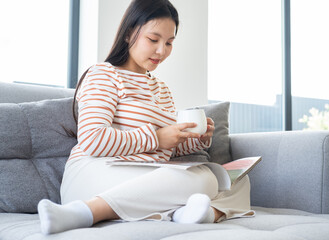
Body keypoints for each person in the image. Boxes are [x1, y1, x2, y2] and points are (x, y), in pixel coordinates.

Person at [37, 0, 254, 235]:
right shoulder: (104, 74)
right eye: (153, 40)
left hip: (145, 174)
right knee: (204, 180)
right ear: (130, 33)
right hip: (96, 171)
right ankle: (85, 211)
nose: (162, 51)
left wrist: (196, 139)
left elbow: (166, 150)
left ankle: (198, 213)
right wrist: (157, 139)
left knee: (236, 180)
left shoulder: (161, 89)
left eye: (169, 42)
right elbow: (92, 139)